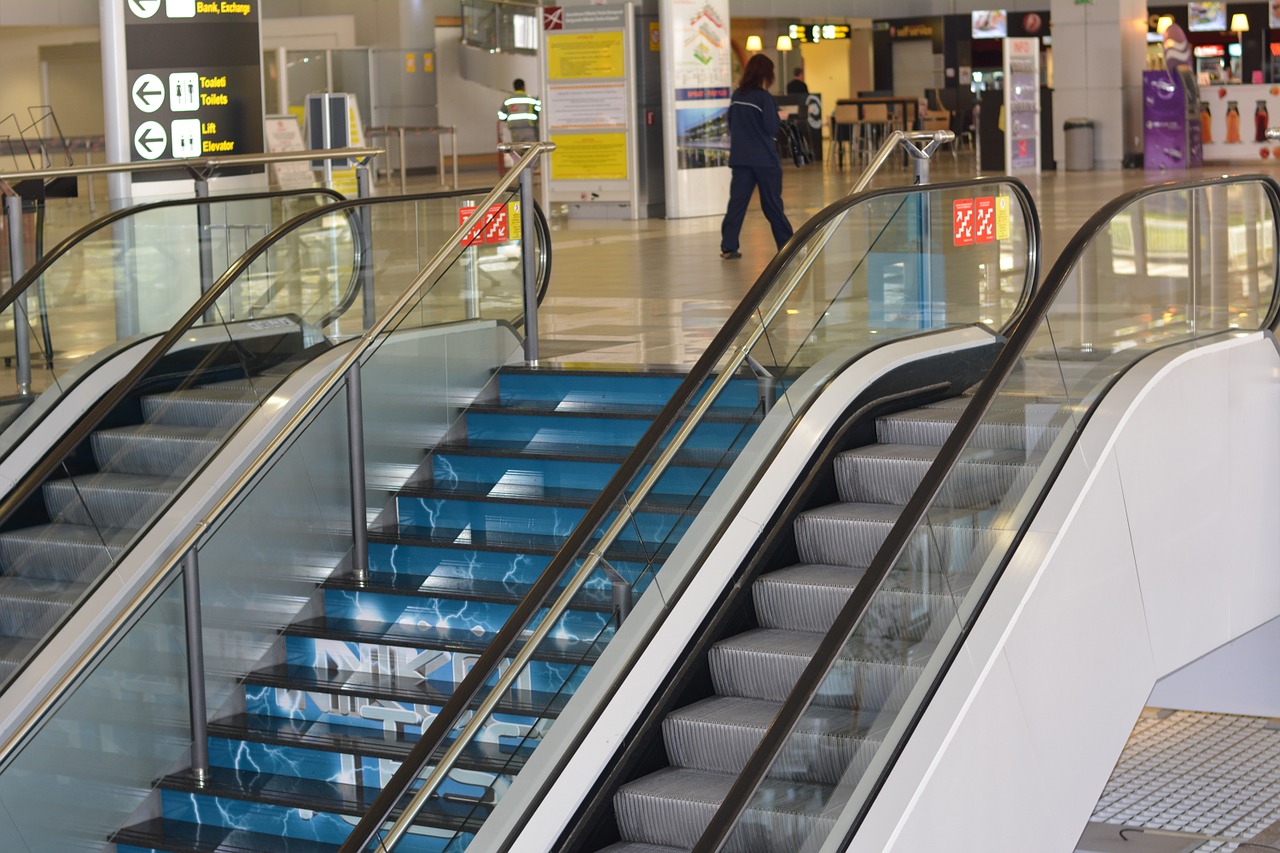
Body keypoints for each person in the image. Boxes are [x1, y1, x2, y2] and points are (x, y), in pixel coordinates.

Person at [720, 54, 794, 260]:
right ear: (766, 74)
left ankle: (728, 246)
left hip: (741, 158)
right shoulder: (764, 97)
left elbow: (731, 125)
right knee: (771, 204)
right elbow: (771, 127)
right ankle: (787, 244)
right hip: (764, 160)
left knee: (737, 203)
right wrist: (779, 116)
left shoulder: (737, 96)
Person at [498, 78, 541, 144]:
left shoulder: (508, 99)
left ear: (514, 87)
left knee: (518, 150)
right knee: (531, 151)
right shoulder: (531, 98)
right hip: (529, 129)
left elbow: (501, 114)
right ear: (523, 87)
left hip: (515, 130)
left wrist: (508, 118)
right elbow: (539, 110)